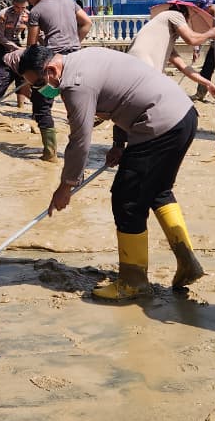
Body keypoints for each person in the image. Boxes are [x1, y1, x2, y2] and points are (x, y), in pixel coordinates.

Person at [18, 44, 203, 298]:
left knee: (127, 198)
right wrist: (118, 144)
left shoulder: (75, 85)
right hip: (183, 115)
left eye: (39, 84)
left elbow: (80, 140)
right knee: (157, 190)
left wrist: (66, 186)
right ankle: (187, 261)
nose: (40, 90)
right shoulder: (83, 57)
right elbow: (124, 96)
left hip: (159, 124)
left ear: (50, 69)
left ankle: (133, 280)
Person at [21, 0, 93, 161]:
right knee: (74, 100)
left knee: (42, 104)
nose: (28, 2)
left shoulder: (36, 11)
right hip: (75, 58)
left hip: (52, 62)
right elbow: (87, 22)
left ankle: (50, 153)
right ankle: (80, 151)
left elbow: (32, 46)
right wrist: (75, 42)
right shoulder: (68, 1)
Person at [127, 3, 215, 98]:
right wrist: (210, 33)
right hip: (145, 69)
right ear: (185, 16)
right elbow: (192, 39)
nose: (187, 25)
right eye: (187, 22)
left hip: (130, 67)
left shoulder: (162, 36)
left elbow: (183, 67)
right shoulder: (175, 14)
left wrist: (207, 83)